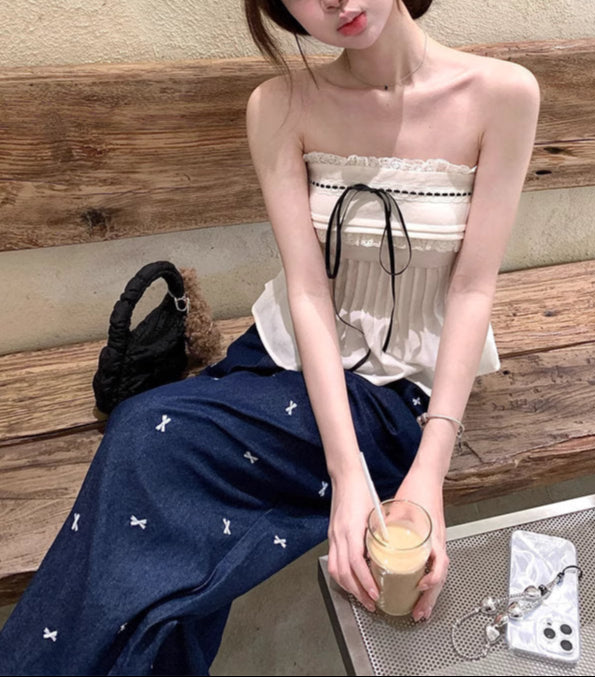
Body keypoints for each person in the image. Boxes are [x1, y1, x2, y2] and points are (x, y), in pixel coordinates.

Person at [0, 1, 539, 674]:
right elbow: (307, 291)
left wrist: (427, 472)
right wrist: (346, 474)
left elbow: (471, 290)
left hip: (405, 388)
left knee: (151, 459)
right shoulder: (280, 106)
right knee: (149, 456)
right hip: (284, 356)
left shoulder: (502, 95)